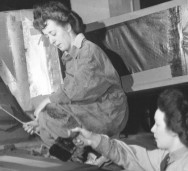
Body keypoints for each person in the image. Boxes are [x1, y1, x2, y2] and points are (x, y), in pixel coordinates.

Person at [23, 1, 128, 150]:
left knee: (47, 114)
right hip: (91, 110)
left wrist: (46, 102)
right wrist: (41, 123)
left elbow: (76, 91)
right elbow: (69, 97)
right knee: (46, 133)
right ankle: (90, 155)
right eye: (47, 37)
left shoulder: (88, 51)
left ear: (67, 26)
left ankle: (101, 148)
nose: (51, 41)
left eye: (53, 34)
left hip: (109, 113)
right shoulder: (70, 56)